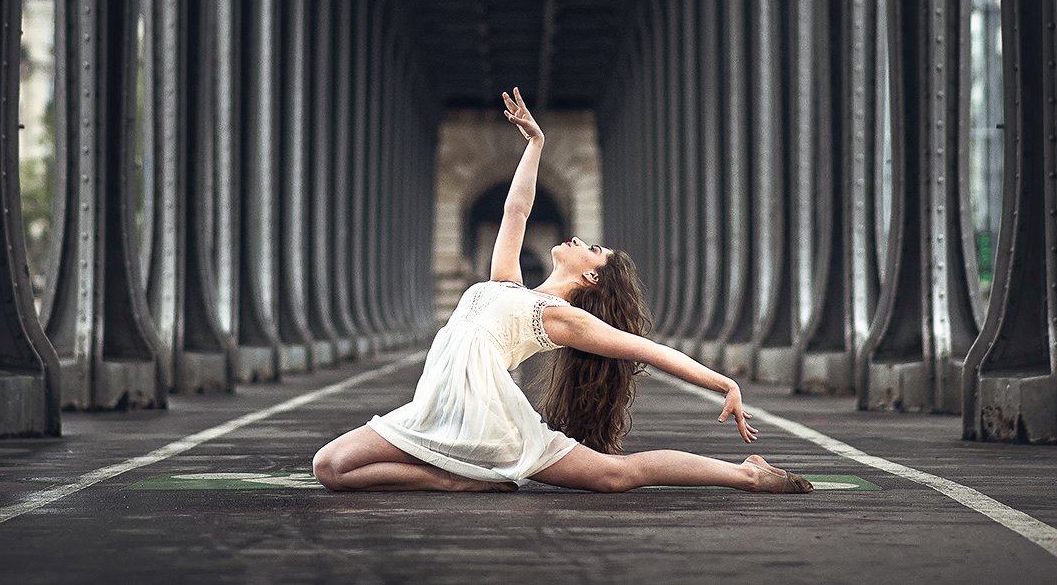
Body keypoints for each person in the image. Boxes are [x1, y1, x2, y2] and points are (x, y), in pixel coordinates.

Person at [312, 88, 813, 494]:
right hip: (436, 407)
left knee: (616, 475)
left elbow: (650, 351)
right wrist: (535, 146)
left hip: (488, 417)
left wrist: (725, 384)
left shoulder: (559, 316)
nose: (580, 241)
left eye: (592, 248)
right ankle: (453, 479)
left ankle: (747, 473)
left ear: (591, 277)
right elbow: (517, 212)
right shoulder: (505, 283)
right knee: (331, 466)